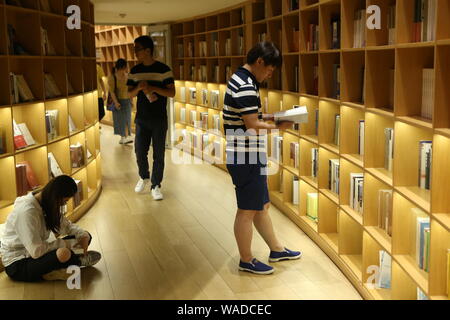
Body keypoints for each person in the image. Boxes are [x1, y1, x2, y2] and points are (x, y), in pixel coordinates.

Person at [223, 42, 302, 275]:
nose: (269, 75)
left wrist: (277, 116)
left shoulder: (242, 79)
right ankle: (246, 260)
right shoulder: (246, 85)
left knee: (261, 205)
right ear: (259, 62)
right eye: (269, 70)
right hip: (244, 154)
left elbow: (253, 115)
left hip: (247, 152)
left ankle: (276, 249)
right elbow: (252, 124)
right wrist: (281, 126)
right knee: (247, 209)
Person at [0, 176, 101, 282]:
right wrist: (64, 244)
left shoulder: (46, 203)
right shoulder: (27, 212)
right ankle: (76, 261)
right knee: (63, 253)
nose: (63, 204)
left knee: (87, 236)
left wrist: (83, 236)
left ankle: (64, 265)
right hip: (19, 263)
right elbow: (36, 251)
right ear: (56, 197)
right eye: (64, 201)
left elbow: (67, 226)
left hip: (40, 251)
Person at [127, 36, 175, 201]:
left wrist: (153, 87)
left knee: (159, 154)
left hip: (159, 119)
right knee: (140, 151)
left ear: (148, 50)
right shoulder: (134, 71)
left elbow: (171, 93)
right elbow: (129, 94)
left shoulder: (164, 70)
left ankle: (156, 185)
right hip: (141, 118)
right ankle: (144, 176)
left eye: (137, 49)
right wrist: (139, 88)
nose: (135, 53)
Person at [109, 59, 133, 145]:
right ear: (122, 67)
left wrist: (131, 100)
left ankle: (125, 137)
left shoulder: (127, 75)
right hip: (118, 101)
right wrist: (115, 102)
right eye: (126, 65)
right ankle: (123, 137)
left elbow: (130, 89)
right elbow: (111, 91)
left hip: (127, 100)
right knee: (120, 120)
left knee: (127, 119)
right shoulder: (113, 77)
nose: (127, 67)